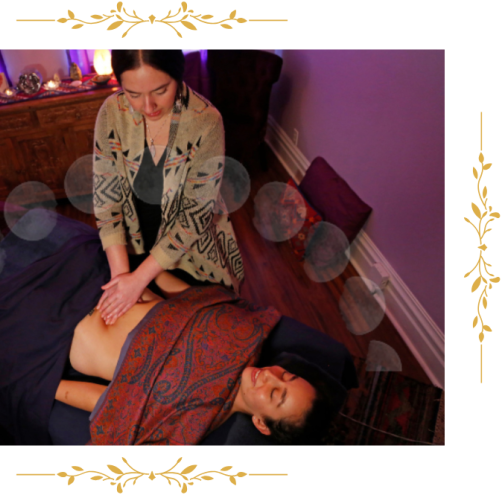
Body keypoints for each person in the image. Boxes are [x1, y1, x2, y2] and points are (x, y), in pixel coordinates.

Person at [58, 270, 334, 446]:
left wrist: (50, 386)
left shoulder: (193, 423)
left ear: (262, 423)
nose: (270, 376)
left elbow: (114, 407)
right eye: (287, 375)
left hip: (63, 326)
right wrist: (146, 270)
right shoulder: (248, 333)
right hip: (102, 278)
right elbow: (190, 299)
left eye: (275, 394)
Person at [93, 49, 245, 328]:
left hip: (188, 252)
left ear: (178, 74)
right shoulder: (112, 111)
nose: (148, 106)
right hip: (130, 245)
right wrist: (122, 280)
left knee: (202, 326)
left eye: (160, 91)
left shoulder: (206, 120)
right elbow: (106, 199)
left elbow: (194, 217)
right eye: (133, 94)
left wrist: (138, 280)